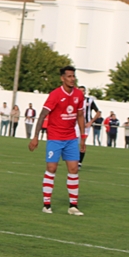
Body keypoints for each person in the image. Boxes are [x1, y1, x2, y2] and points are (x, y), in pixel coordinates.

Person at [29, 65, 87, 215]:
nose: (72, 79)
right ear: (62, 78)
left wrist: (83, 138)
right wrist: (35, 137)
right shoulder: (55, 95)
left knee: (74, 169)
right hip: (55, 137)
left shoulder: (79, 95)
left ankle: (73, 206)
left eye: (73, 76)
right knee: (51, 169)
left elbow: (80, 116)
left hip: (71, 138)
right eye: (69, 76)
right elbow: (42, 115)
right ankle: (46, 205)